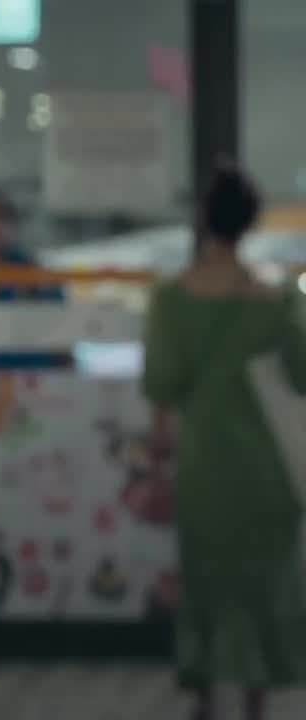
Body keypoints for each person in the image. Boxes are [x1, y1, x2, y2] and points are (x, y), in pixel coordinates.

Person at [143, 164, 306, 720]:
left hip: (204, 464)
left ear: (203, 219)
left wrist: (158, 459)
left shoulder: (170, 299)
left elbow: (162, 389)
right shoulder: (274, 298)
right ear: (252, 223)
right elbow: (303, 373)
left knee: (205, 581)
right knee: (263, 583)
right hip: (266, 466)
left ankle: (208, 696)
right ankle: (256, 702)